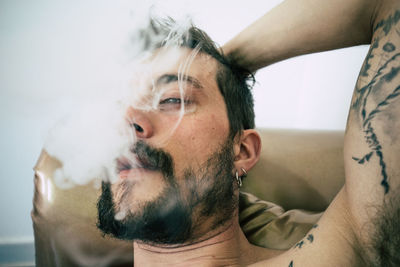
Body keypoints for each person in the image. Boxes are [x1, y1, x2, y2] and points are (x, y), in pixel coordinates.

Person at [97, 0, 400, 265]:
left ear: (241, 151)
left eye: (172, 99)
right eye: (119, 105)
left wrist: (224, 61)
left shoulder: (337, 256)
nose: (128, 120)